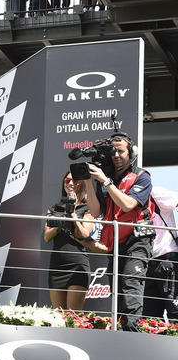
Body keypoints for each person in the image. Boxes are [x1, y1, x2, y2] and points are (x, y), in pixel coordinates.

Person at [84, 133, 154, 331]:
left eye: (121, 151)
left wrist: (106, 181)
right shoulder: (106, 178)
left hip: (138, 238)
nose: (116, 155)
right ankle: (120, 332)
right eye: (112, 151)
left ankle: (132, 334)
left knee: (131, 285)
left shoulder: (142, 176)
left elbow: (128, 204)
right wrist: (89, 181)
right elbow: (97, 211)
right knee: (116, 289)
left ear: (131, 153)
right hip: (116, 241)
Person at [43, 171, 93, 310]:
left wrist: (73, 216)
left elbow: (84, 233)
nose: (70, 183)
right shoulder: (54, 208)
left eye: (75, 181)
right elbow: (47, 237)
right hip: (57, 265)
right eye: (67, 180)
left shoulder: (87, 208)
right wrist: (63, 220)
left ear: (81, 184)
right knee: (58, 316)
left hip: (77, 265)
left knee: (73, 317)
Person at [143, 187, 178, 322]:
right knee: (150, 318)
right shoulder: (123, 200)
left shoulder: (154, 192)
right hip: (145, 263)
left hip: (168, 259)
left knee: (175, 313)